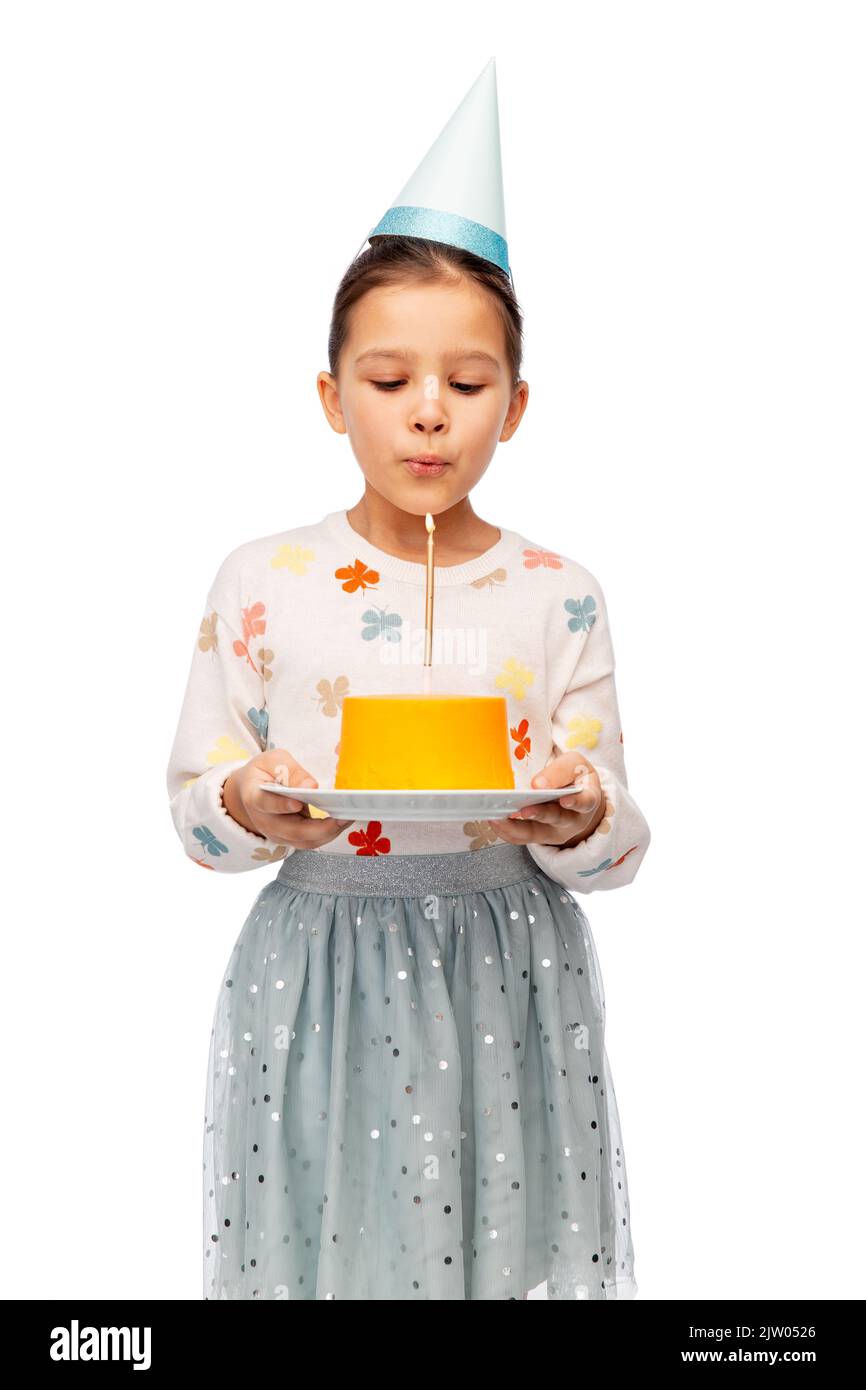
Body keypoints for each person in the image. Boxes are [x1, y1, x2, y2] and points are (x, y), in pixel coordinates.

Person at [166, 59, 651, 1300]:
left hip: (508, 967)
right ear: (332, 399)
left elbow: (615, 833)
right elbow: (197, 806)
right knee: (331, 1244)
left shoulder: (559, 592)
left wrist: (579, 811)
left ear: (517, 404)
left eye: (467, 382)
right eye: (388, 382)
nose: (427, 413)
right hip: (318, 965)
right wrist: (248, 806)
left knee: (504, 1240)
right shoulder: (260, 580)